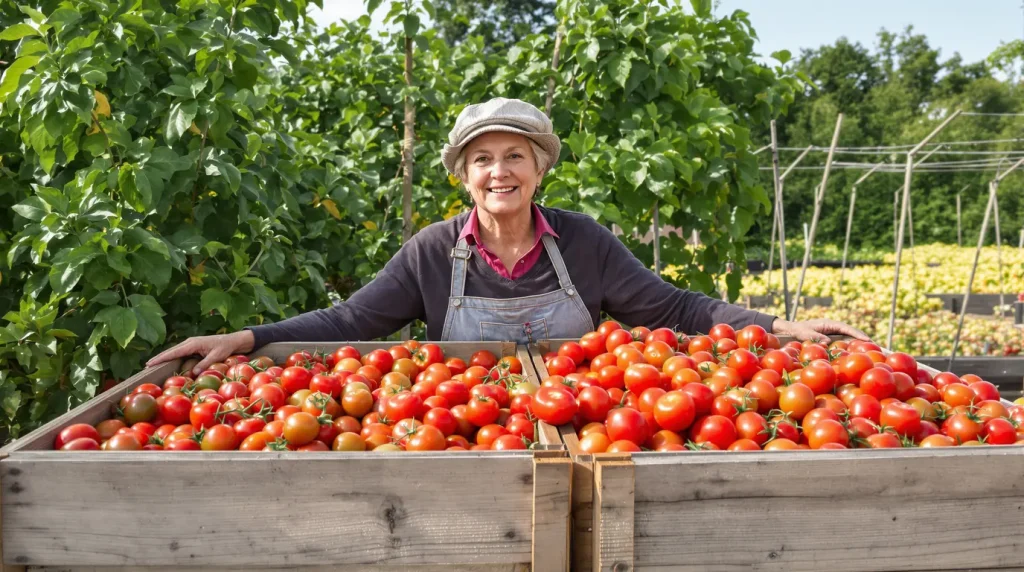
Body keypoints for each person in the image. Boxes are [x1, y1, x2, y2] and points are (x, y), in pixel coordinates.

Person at [149, 98, 867, 375]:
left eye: (515, 156)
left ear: (539, 169)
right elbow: (349, 321)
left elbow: (677, 310)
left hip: (579, 429)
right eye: (483, 159)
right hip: (463, 434)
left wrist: (781, 327)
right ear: (464, 175)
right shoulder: (434, 251)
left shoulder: (583, 243)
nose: (500, 172)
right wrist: (249, 336)